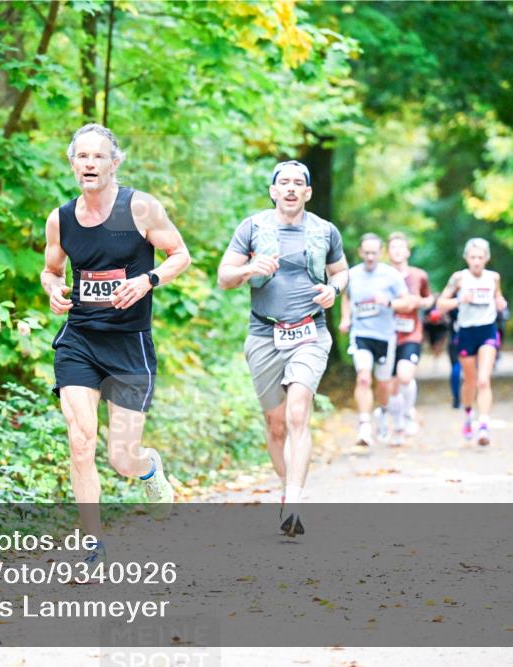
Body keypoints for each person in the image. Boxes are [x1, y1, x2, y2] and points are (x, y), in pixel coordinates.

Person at [41, 124, 191, 562]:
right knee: (80, 440)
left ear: (114, 162)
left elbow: (180, 255)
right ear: (73, 163)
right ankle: (93, 542)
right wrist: (53, 287)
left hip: (129, 344)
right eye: (82, 157)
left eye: (99, 157)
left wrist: (148, 281)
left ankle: (147, 468)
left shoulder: (141, 208)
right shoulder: (61, 218)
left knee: (121, 458)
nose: (90, 164)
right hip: (80, 340)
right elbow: (51, 269)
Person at [218, 160, 348, 538]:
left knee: (297, 413)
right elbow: (224, 277)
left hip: (310, 332)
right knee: (276, 426)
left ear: (307, 192)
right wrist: (248, 270)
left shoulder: (325, 231)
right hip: (264, 335)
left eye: (298, 184)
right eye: (283, 183)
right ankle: (287, 487)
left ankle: (294, 501)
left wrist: (333, 290)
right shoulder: (253, 228)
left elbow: (341, 271)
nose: (291, 189)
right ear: (273, 191)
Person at [338, 234, 411, 449]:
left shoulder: (391, 275)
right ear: (360, 252)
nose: (370, 257)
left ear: (381, 253)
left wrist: (389, 302)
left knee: (383, 384)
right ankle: (364, 425)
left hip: (385, 336)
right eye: (366, 253)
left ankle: (383, 412)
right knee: (362, 378)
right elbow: (347, 297)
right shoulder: (351, 275)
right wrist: (345, 318)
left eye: (374, 253)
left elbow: (406, 303)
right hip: (361, 335)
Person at [436, 238, 507, 446]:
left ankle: (483, 425)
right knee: (470, 380)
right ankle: (468, 415)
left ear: (487, 258)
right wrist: (459, 300)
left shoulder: (494, 278)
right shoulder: (458, 278)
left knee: (483, 380)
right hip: (466, 332)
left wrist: (500, 303)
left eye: (480, 257)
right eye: (473, 257)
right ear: (466, 258)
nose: (476, 261)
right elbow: (440, 304)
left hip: (488, 330)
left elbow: (498, 299)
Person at [386, 232, 433, 445]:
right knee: (391, 385)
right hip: (385, 335)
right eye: (393, 247)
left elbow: (428, 298)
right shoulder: (382, 275)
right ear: (388, 253)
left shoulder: (419, 275)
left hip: (411, 334)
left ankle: (407, 413)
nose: (397, 251)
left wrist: (420, 302)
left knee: (405, 376)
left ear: (407, 251)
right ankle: (397, 426)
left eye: (400, 247)